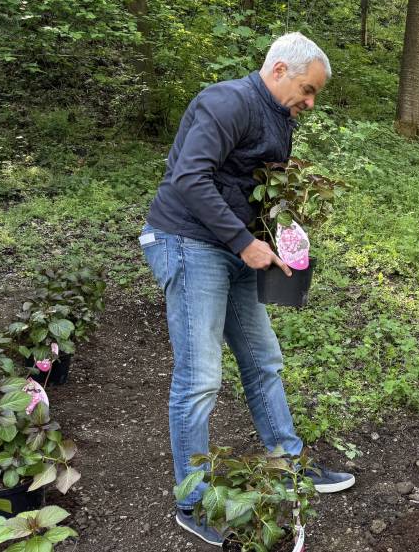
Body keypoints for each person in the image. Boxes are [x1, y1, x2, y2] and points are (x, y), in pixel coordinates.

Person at [139, 32, 354, 546]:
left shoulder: (278, 118)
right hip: (189, 243)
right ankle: (192, 501)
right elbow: (191, 178)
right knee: (200, 378)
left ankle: (287, 462)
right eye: (307, 89)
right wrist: (243, 243)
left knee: (263, 360)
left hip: (234, 248)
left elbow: (253, 186)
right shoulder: (227, 101)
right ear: (279, 69)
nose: (309, 102)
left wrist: (279, 235)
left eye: (314, 94)